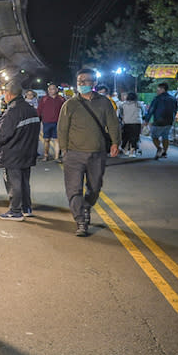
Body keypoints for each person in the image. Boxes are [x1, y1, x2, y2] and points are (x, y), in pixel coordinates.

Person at [57, 68, 120, 237]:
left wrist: (115, 142)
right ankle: (81, 220)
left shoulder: (104, 102)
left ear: (94, 83)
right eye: (80, 81)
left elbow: (113, 123)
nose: (82, 84)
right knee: (73, 189)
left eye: (86, 81)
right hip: (74, 154)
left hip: (97, 153)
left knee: (95, 187)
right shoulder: (70, 104)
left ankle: (86, 206)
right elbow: (62, 129)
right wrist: (64, 150)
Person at [0, 81, 40, 220]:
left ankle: (15, 211)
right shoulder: (30, 109)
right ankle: (26, 208)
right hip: (28, 152)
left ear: (8, 94)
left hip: (13, 153)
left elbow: (2, 136)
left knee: (14, 183)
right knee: (25, 181)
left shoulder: (12, 111)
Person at [144, 82, 178, 159]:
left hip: (159, 121)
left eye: (158, 89)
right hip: (169, 120)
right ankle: (164, 153)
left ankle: (159, 148)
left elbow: (151, 110)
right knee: (165, 136)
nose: (157, 91)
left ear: (162, 89)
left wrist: (146, 120)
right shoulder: (173, 99)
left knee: (154, 136)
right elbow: (175, 110)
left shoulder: (157, 98)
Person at [38, 84, 66, 161]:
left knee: (57, 140)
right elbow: (39, 111)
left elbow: (65, 111)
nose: (51, 90)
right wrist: (38, 119)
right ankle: (45, 155)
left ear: (56, 90)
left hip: (58, 122)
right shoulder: (44, 99)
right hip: (47, 122)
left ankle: (57, 157)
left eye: (53, 89)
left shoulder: (61, 99)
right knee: (46, 139)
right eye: (50, 89)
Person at [118, 92, 144, 156]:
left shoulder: (123, 104)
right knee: (135, 137)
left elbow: (121, 113)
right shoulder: (138, 104)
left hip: (126, 122)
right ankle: (132, 152)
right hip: (136, 122)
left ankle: (124, 149)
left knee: (126, 137)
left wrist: (124, 118)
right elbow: (143, 112)